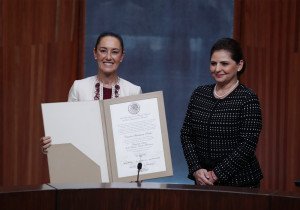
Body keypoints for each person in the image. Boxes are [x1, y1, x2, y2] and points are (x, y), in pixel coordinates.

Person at [180, 38, 263, 188]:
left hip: (241, 184)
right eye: (213, 63)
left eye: (224, 63)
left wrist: (216, 174)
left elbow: (247, 144)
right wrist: (196, 169)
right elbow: (186, 134)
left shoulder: (248, 98)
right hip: (202, 181)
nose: (217, 69)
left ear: (239, 65)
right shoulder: (199, 94)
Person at [41, 31, 142, 153]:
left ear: (121, 56)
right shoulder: (79, 87)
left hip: (122, 163)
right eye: (103, 50)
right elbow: (68, 128)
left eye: (114, 52)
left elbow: (138, 138)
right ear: (95, 53)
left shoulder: (134, 91)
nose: (108, 57)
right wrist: (52, 145)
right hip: (86, 161)